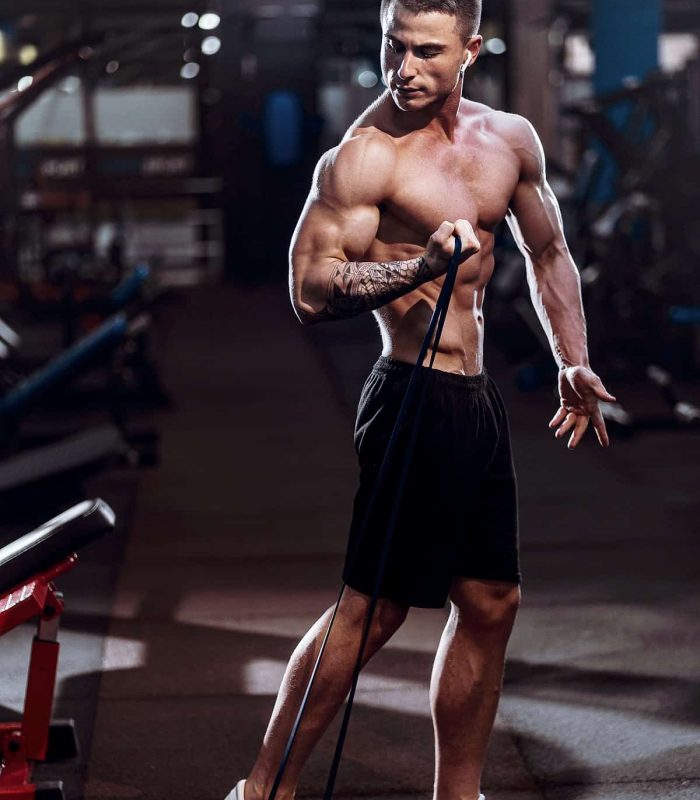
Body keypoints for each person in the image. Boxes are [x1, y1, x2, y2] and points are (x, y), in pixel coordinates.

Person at [226, 1, 616, 799]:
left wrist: (573, 360)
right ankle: (264, 791)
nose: (404, 68)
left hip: (474, 403)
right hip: (410, 396)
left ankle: (458, 795)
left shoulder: (511, 140)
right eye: (392, 47)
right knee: (373, 611)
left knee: (490, 601)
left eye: (427, 52)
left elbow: (550, 253)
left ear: (472, 48)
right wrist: (418, 265)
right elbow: (308, 292)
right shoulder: (363, 158)